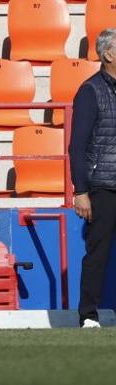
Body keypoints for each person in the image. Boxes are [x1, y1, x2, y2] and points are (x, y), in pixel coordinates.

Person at [70, 28, 116, 329]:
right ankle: (88, 314)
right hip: (103, 186)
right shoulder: (90, 91)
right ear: (109, 54)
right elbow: (78, 144)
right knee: (98, 252)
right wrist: (81, 190)